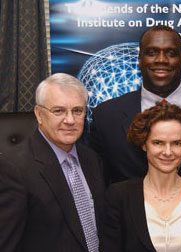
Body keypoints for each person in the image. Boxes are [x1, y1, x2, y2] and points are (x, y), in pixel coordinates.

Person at [90, 25, 181, 184]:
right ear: (139, 59)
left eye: (171, 53)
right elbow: (99, 184)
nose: (161, 60)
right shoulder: (106, 116)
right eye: (152, 53)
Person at [0, 73, 105, 251]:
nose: (70, 120)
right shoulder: (13, 169)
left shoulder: (91, 159)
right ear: (39, 114)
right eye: (59, 111)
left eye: (77, 111)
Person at [102, 102, 181, 251]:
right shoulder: (118, 195)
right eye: (158, 143)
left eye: (176, 143)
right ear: (144, 144)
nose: (168, 152)